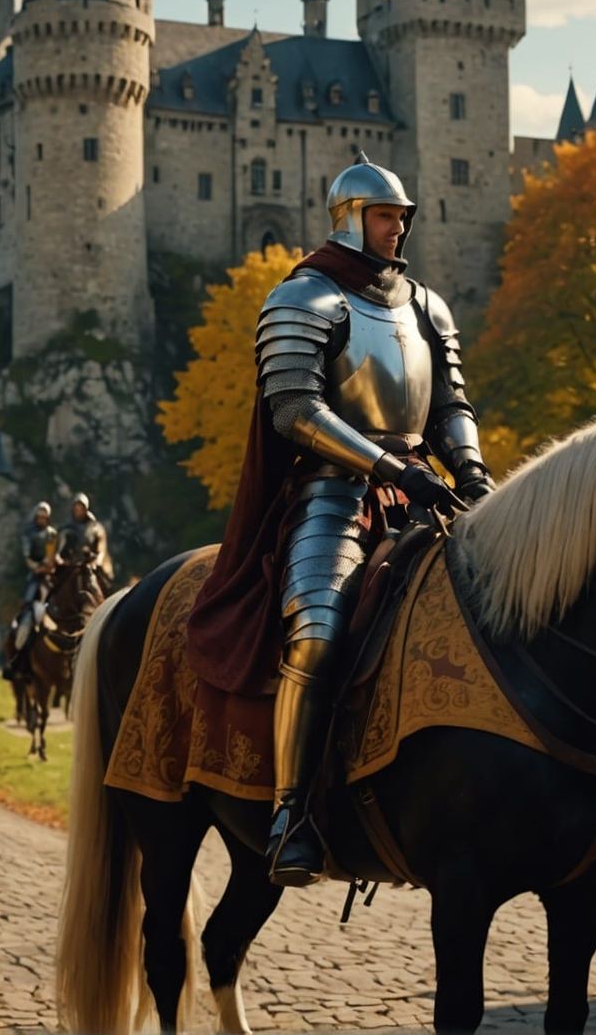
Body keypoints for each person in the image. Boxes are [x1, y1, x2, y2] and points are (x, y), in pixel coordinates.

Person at [187, 153, 495, 887]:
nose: (399, 227)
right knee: (319, 629)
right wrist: (391, 470)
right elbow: (295, 410)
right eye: (387, 216)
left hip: (427, 491)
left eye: (403, 216)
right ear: (353, 219)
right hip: (335, 494)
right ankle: (292, 812)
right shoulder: (305, 297)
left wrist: (473, 472)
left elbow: (449, 405)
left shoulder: (426, 306)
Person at [3, 501, 59, 681]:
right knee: (28, 617)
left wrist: (55, 563)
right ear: (36, 517)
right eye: (39, 516)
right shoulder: (29, 534)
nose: (42, 519)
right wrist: (38, 568)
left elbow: (54, 553)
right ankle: (17, 657)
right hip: (35, 580)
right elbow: (27, 557)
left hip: (52, 578)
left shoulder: (52, 534)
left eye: (45, 516)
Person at [58, 492, 112, 604]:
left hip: (88, 566)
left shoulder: (95, 528)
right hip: (69, 566)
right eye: (76, 509)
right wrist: (60, 560)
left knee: (96, 587)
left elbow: (101, 550)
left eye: (81, 508)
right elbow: (58, 549)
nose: (78, 511)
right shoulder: (66, 528)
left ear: (86, 509)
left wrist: (96, 562)